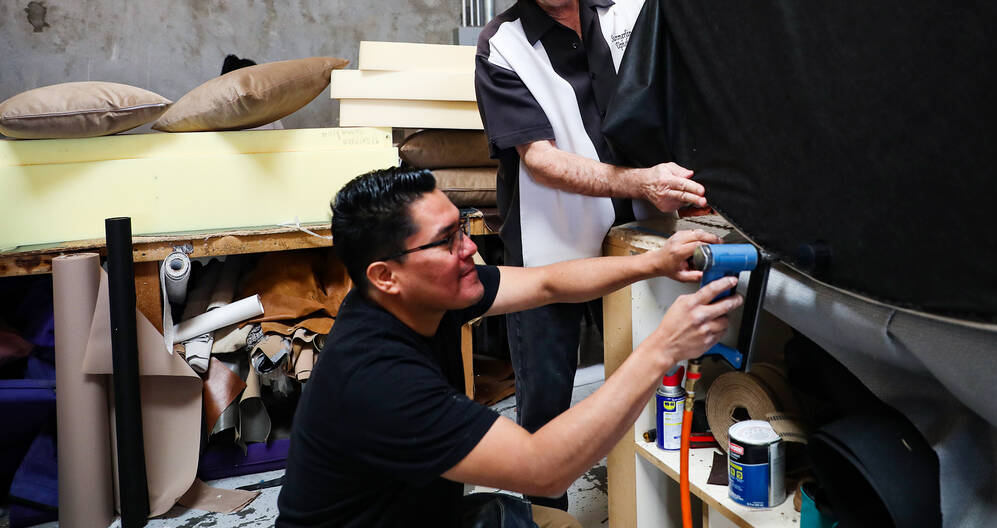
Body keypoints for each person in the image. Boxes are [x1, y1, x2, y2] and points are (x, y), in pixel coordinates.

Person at [274, 168, 741, 528]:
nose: (469, 250)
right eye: (446, 242)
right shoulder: (376, 377)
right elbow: (543, 470)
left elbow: (547, 283)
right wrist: (662, 348)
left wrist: (655, 262)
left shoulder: (414, 297)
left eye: (462, 230)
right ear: (385, 275)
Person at [474, 0, 705, 508]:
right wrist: (635, 181)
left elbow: (699, 45)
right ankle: (544, 516)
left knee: (660, 372)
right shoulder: (503, 46)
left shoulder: (631, 1)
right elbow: (541, 159)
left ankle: (648, 501)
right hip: (552, 239)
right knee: (546, 399)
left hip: (648, 224)